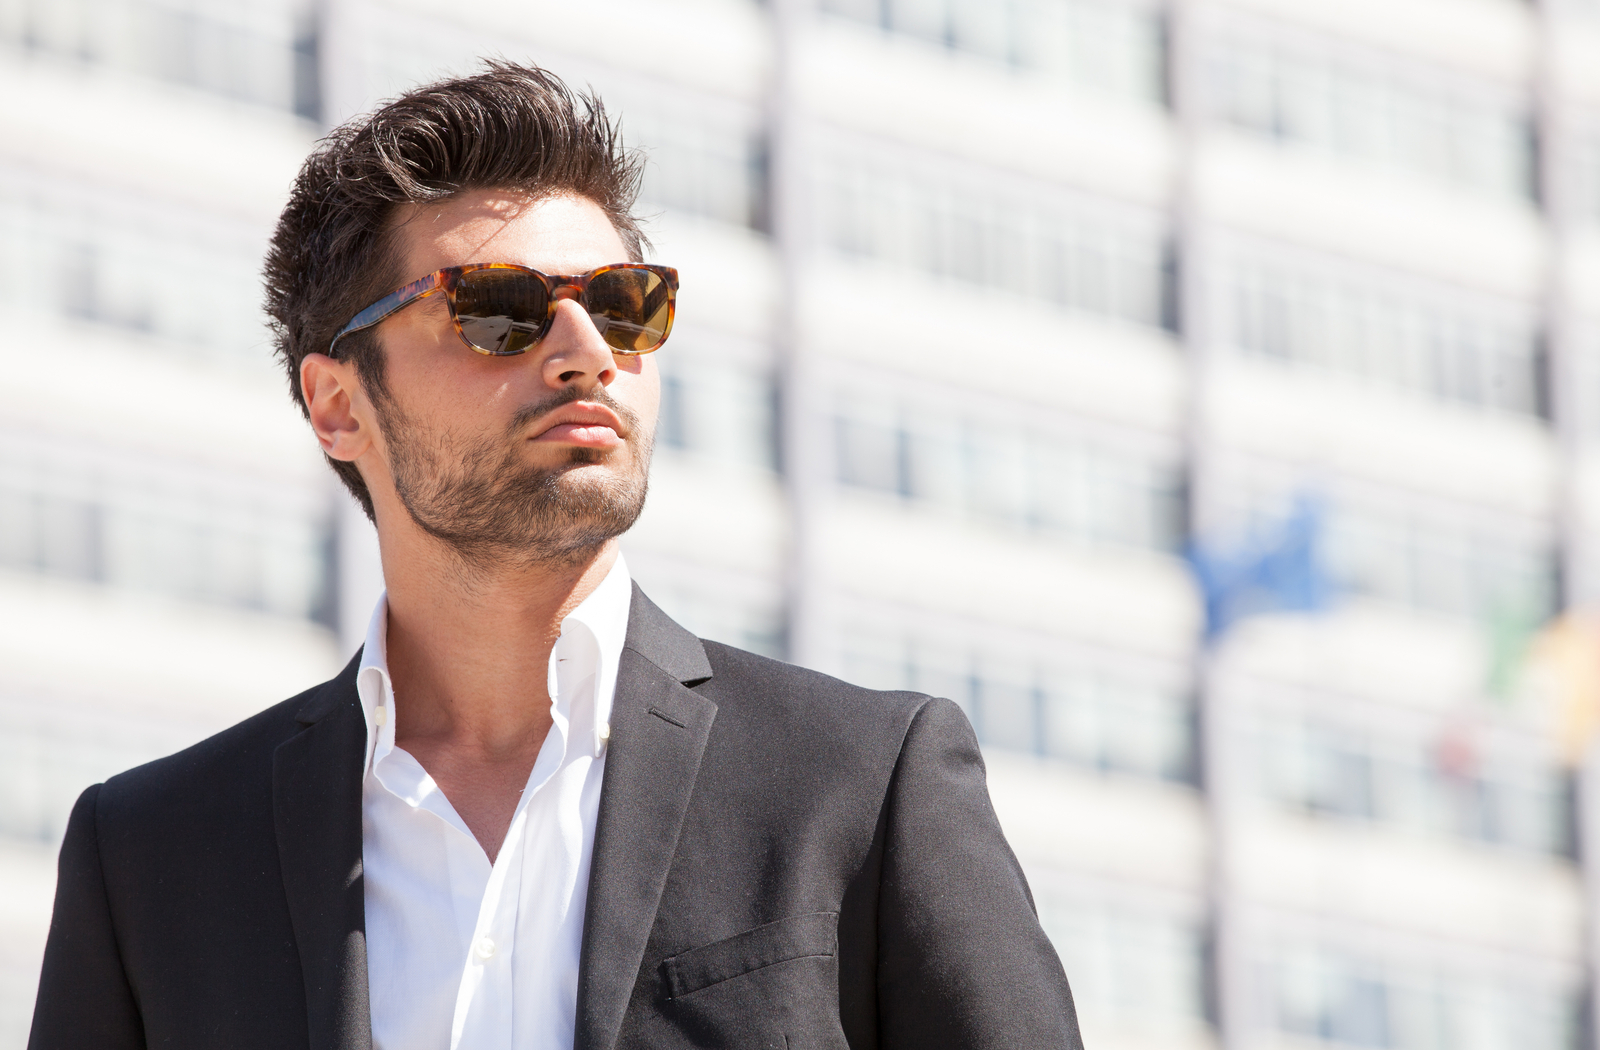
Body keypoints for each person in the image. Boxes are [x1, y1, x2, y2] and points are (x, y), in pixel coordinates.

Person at [28, 62, 1081, 1050]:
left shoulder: (864, 782)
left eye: (624, 306)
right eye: (499, 310)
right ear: (339, 404)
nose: (587, 353)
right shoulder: (152, 857)